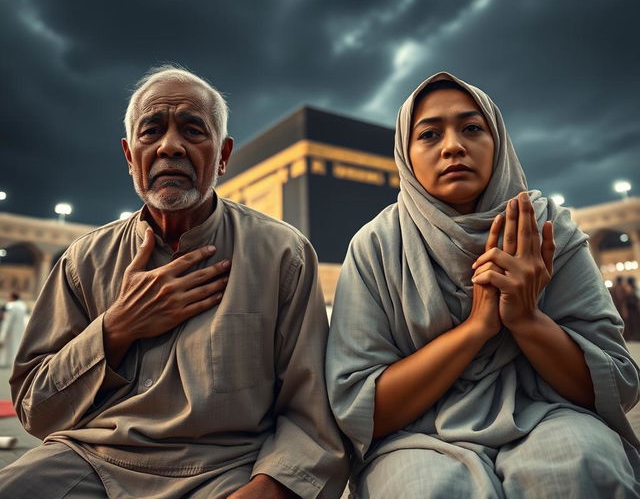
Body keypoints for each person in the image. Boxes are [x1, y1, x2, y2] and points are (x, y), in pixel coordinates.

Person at [0, 65, 348, 498]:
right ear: (130, 157)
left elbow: (312, 414)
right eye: (151, 131)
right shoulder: (83, 261)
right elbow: (36, 410)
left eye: (193, 130)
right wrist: (117, 328)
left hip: (226, 470)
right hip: (96, 461)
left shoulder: (281, 254)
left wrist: (267, 488)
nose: (170, 147)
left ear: (223, 155)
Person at [327, 71, 640, 498]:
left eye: (472, 128)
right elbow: (362, 409)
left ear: (498, 143)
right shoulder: (378, 246)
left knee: (581, 466)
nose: (453, 146)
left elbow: (618, 386)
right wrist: (478, 327)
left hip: (550, 414)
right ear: (406, 153)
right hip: (417, 436)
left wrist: (527, 319)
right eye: (429, 134)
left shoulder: (548, 231)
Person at [0, 293, 28, 368]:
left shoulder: (11, 306)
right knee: (17, 346)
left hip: (11, 331)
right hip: (20, 329)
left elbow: (8, 321)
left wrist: (2, 335)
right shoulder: (22, 305)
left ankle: (5, 363)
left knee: (8, 347)